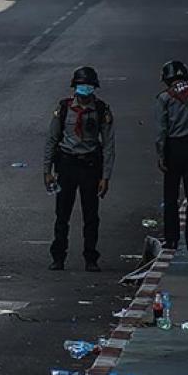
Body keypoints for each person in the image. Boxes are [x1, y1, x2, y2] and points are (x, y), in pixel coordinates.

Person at [44, 66, 115, 271]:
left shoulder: (101, 110)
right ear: (75, 87)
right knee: (62, 214)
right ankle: (58, 257)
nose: (85, 90)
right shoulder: (64, 108)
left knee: (91, 216)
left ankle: (90, 258)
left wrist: (106, 176)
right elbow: (51, 140)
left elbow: (109, 145)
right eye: (81, 86)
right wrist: (47, 171)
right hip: (66, 165)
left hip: (90, 167)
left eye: (89, 86)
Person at [155, 60, 188, 251]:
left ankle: (172, 239)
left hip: (173, 149)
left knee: (170, 196)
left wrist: (161, 155)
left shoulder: (164, 98)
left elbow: (161, 130)